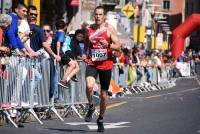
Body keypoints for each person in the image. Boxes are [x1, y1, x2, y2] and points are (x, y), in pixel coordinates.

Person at [84, 6, 121, 132]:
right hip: (93, 63)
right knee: (89, 86)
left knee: (104, 95)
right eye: (96, 14)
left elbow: (118, 46)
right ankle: (91, 107)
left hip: (106, 65)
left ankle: (100, 118)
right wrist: (85, 54)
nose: (98, 16)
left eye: (100, 14)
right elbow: (87, 43)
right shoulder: (89, 29)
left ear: (104, 16)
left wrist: (109, 45)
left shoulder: (109, 28)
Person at [52, 20, 79, 89]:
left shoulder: (55, 34)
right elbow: (58, 43)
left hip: (59, 53)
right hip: (61, 54)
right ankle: (63, 80)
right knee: (73, 65)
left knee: (73, 65)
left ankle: (67, 78)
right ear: (64, 27)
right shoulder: (62, 33)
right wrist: (58, 55)